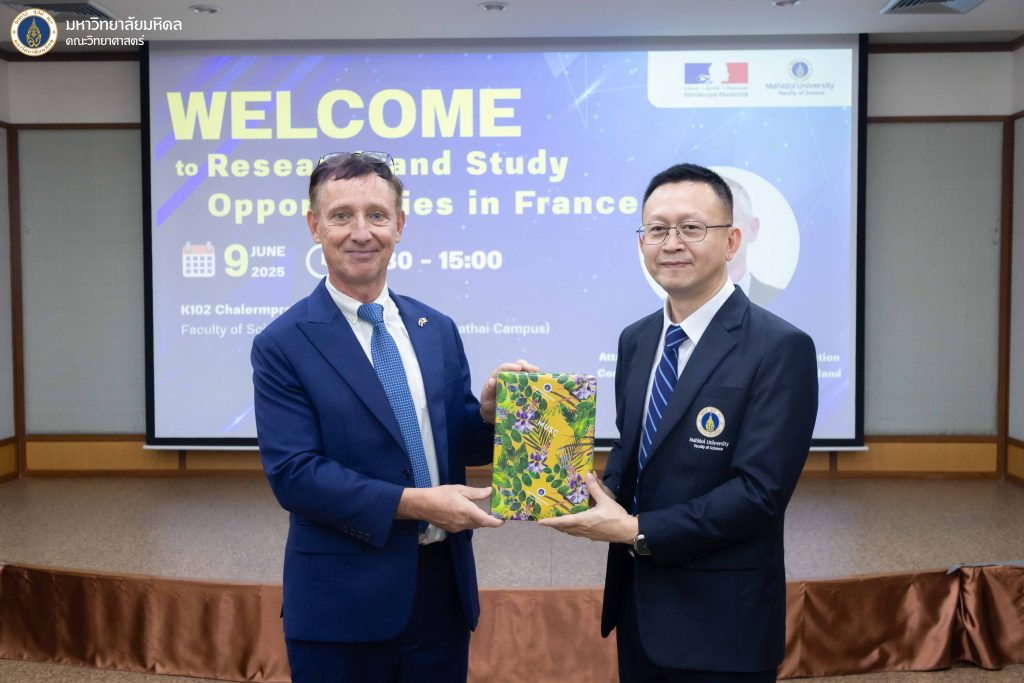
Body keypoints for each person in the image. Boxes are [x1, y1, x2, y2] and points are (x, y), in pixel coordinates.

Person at [251, 151, 535, 682]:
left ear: (399, 225)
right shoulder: (282, 344)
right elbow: (295, 476)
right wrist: (416, 504)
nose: (361, 232)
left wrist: (489, 416)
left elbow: (456, 442)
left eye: (377, 215)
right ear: (314, 226)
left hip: (442, 596)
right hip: (342, 606)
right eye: (342, 215)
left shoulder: (436, 328)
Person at [540, 163, 817, 682]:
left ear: (732, 241)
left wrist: (636, 530)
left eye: (691, 228)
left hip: (722, 622)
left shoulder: (780, 347)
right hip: (638, 609)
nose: (671, 243)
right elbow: (635, 456)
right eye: (657, 229)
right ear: (641, 242)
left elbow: (760, 493)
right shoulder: (637, 339)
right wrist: (578, 492)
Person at [722, 176, 784, 307]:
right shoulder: (679, 303)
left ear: (752, 229)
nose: (716, 231)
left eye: (729, 220)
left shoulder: (783, 301)